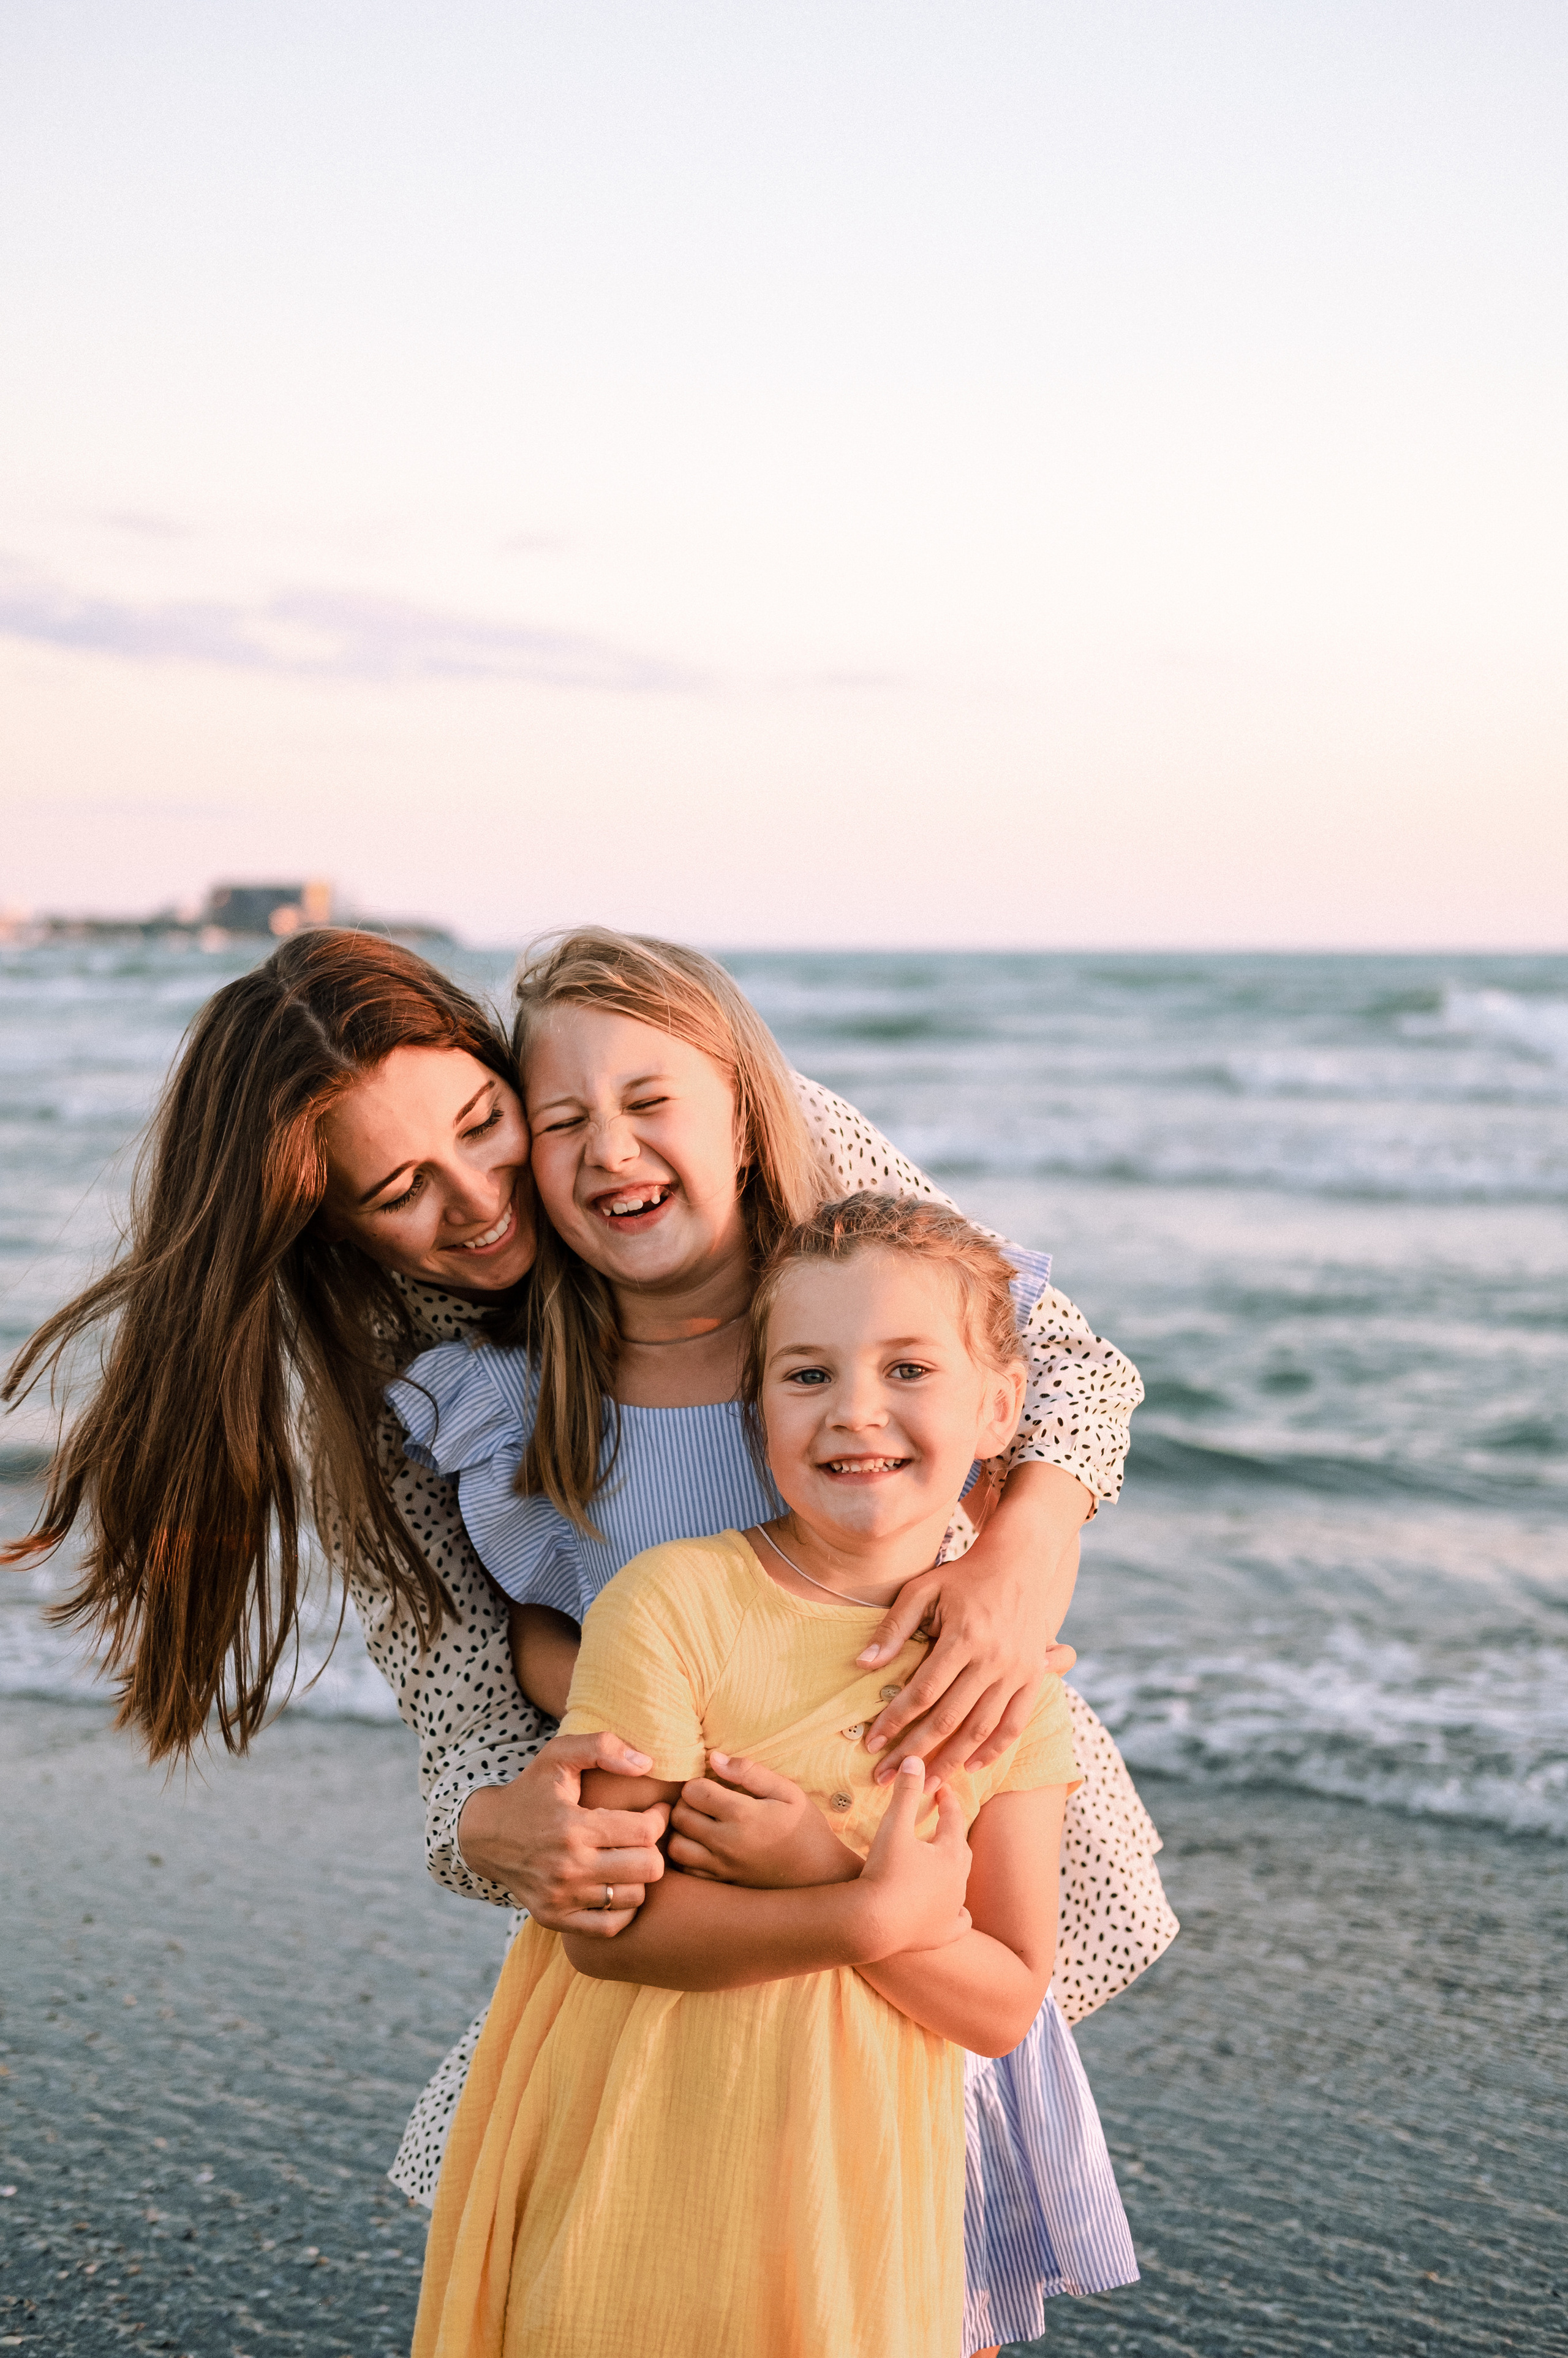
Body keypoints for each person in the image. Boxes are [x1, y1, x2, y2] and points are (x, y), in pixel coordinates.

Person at [388, 928, 1155, 2344]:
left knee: (917, 2283)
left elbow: (1064, 1371)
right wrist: (558, 1727)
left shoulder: (841, 1280)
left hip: (927, 1859)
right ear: (761, 1394)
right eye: (558, 1121)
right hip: (708, 1923)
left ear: (751, 1114)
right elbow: (504, 1666)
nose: (609, 1147)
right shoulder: (515, 1402)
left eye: (650, 1101)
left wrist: (1012, 1560)